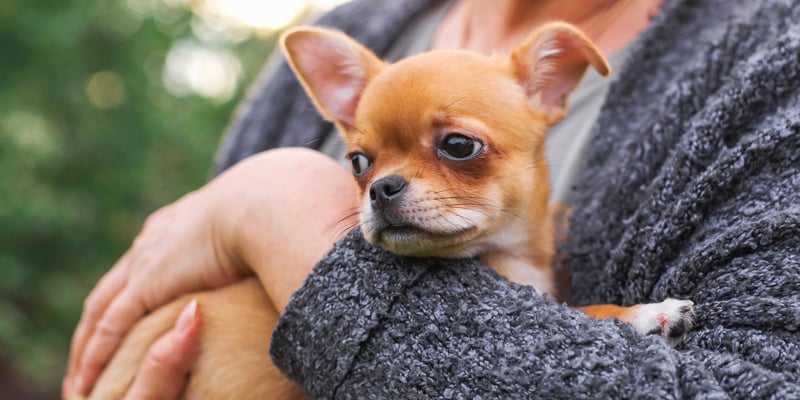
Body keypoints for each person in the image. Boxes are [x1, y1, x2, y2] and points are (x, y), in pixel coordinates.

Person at [64, 0, 800, 398]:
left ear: (554, 84)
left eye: (458, 148)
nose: (386, 186)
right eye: (361, 164)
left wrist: (278, 203)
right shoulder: (356, 27)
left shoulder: (767, 57)